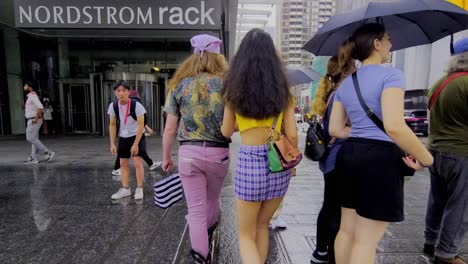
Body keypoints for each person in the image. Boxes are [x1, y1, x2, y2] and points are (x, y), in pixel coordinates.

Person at [329, 23, 434, 264]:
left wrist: (363, 131)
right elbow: (395, 126)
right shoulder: (392, 75)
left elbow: (335, 129)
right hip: (378, 161)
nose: (391, 44)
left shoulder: (347, 82)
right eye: (387, 39)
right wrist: (427, 158)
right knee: (366, 240)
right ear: (376, 44)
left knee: (346, 231)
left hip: (349, 155)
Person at [221, 28, 298, 264]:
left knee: (245, 235)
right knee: (263, 225)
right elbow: (293, 135)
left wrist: (243, 125)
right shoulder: (283, 92)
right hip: (278, 164)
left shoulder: (233, 90)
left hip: (249, 164)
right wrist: (292, 165)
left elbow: (225, 131)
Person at [162, 34, 230, 264]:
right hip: (218, 153)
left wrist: (165, 157)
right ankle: (208, 232)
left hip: (188, 154)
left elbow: (169, 129)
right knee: (212, 199)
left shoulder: (179, 85)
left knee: (196, 209)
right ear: (217, 56)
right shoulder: (226, 84)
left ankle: (200, 255)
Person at [423, 37, 468, 264]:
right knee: (460, 206)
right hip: (461, 153)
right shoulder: (466, 84)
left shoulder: (439, 83)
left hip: (436, 150)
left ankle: (430, 242)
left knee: (437, 200)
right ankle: (446, 254)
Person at [310, 56, 355, 264]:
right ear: (345, 71)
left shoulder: (332, 93)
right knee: (336, 209)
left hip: (330, 159)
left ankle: (321, 251)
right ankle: (330, 255)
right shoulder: (341, 96)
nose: (357, 70)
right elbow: (338, 129)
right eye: (354, 66)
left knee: (329, 205)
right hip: (338, 159)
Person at [108, 81, 146, 200]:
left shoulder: (137, 105)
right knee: (123, 163)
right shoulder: (113, 106)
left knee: (137, 163)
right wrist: (112, 143)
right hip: (123, 137)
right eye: (118, 91)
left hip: (137, 136)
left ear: (129, 92)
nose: (121, 93)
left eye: (124, 90)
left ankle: (139, 188)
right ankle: (125, 189)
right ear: (115, 93)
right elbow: (112, 124)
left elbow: (141, 125)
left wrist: (135, 144)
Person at [111, 90, 161, 176]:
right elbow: (138, 120)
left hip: (130, 133)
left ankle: (150, 164)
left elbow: (139, 120)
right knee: (133, 152)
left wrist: (147, 128)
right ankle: (116, 169)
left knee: (136, 152)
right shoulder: (132, 105)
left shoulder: (132, 105)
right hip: (132, 133)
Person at [23, 82, 55, 164]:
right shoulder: (31, 96)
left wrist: (36, 118)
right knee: (34, 139)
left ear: (30, 87)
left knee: (30, 138)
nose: (24, 87)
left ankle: (48, 152)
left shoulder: (32, 96)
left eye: (25, 86)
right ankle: (34, 157)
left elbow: (40, 107)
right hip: (33, 119)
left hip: (34, 120)